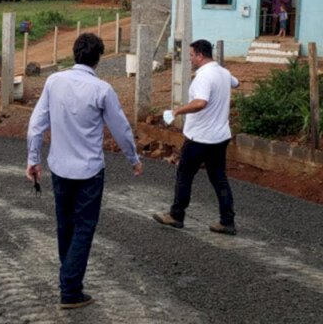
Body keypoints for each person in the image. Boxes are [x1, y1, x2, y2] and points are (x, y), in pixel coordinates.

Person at [26, 33, 142, 310]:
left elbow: (36, 124)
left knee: (65, 224)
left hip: (60, 168)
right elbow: (121, 129)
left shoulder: (54, 82)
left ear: (74, 53)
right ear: (98, 58)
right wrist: (133, 159)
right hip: (90, 171)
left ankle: (69, 279)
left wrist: (33, 158)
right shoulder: (102, 90)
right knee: (84, 227)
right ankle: (70, 288)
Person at [154, 39, 240, 235]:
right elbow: (237, 83)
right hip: (220, 136)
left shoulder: (203, 77)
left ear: (200, 55)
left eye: (192, 55)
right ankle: (227, 221)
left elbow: (200, 102)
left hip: (199, 137)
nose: (190, 59)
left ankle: (176, 215)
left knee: (184, 176)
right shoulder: (223, 73)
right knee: (219, 179)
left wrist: (177, 111)